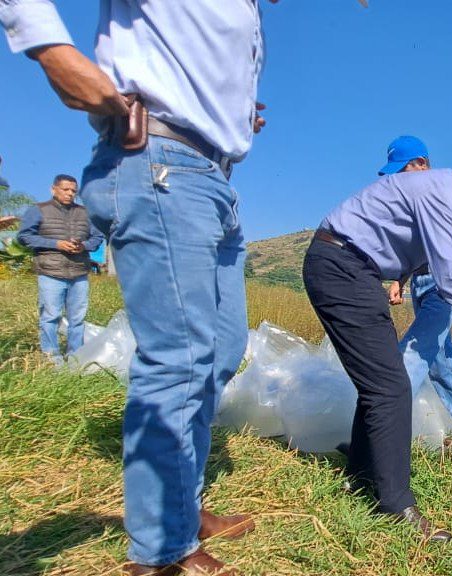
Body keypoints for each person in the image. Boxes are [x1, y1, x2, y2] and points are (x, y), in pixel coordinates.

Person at [0, 2, 303, 573]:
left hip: (213, 179)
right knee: (179, 360)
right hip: (159, 164)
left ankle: (180, 507)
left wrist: (233, 112)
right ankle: (161, 551)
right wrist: (49, 47)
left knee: (219, 351)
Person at [303, 160, 452, 542]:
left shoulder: (444, 197)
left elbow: (431, 260)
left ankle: (361, 473)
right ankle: (395, 506)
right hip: (342, 267)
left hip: (354, 270)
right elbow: (450, 276)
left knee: (382, 381)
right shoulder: (441, 191)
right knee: (391, 386)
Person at [381, 136, 452, 436]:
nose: (398, 178)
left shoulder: (450, 194)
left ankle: (383, 429)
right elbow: (416, 251)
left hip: (446, 287)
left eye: (403, 170)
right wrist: (400, 281)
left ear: (422, 164)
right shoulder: (415, 201)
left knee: (412, 353)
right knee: (441, 363)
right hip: (420, 285)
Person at [17, 174, 104, 360]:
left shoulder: (85, 213)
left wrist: (84, 246)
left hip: (79, 272)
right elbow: (24, 237)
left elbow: (97, 237)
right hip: (51, 272)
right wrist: (56, 244)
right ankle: (52, 359)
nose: (70, 193)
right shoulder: (38, 210)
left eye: (73, 190)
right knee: (50, 317)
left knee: (78, 319)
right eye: (65, 189)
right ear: (53, 189)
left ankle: (76, 358)